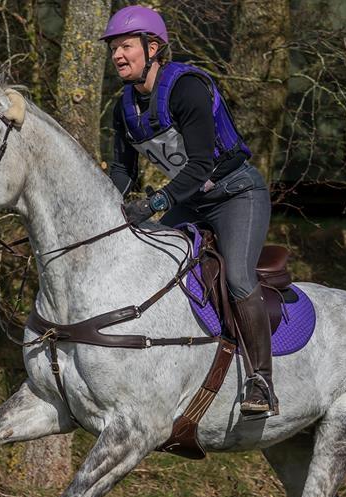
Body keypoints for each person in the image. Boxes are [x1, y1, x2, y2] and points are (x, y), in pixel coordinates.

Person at [100, 5, 277, 415]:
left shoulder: (187, 88)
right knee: (153, 266)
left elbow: (199, 165)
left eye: (125, 47)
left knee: (238, 278)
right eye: (113, 49)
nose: (117, 56)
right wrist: (110, 210)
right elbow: (124, 170)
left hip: (236, 195)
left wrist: (156, 203)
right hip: (191, 202)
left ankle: (261, 381)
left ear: (153, 48)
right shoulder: (123, 107)